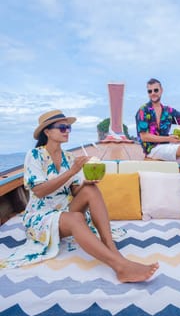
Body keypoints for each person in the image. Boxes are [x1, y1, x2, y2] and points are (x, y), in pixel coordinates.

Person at [3, 109, 159, 282]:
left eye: (68, 128)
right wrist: (72, 171)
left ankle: (111, 248)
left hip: (65, 210)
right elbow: (39, 191)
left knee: (90, 190)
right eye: (62, 127)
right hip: (41, 217)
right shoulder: (34, 156)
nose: (66, 131)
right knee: (76, 218)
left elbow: (75, 191)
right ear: (47, 131)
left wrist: (87, 182)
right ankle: (120, 267)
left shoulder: (69, 157)